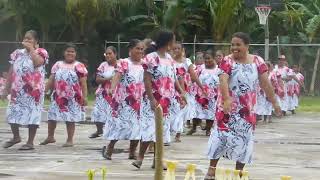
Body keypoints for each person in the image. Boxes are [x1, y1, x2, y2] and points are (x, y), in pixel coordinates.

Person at [204, 32, 281, 179]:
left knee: (244, 140)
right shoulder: (227, 61)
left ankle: (239, 172)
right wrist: (226, 99)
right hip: (227, 109)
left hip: (247, 111)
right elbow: (223, 80)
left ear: (247, 46)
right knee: (220, 137)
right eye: (232, 44)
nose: (234, 48)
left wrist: (275, 103)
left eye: (238, 44)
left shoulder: (257, 61)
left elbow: (266, 83)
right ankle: (211, 169)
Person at [132, 30, 186, 169]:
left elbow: (173, 79)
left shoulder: (169, 59)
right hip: (152, 100)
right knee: (149, 129)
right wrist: (151, 98)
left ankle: (157, 160)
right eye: (173, 41)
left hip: (166, 102)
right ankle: (140, 158)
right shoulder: (151, 58)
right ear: (168, 42)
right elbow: (147, 79)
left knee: (160, 132)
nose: (174, 44)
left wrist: (182, 92)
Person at [3, 30, 49, 150]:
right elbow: (11, 71)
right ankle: (16, 137)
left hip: (34, 91)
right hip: (17, 90)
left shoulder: (41, 52)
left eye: (30, 39)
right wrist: (6, 89)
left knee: (32, 115)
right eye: (25, 38)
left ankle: (30, 142)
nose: (27, 40)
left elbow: (37, 63)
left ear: (36, 41)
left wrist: (31, 50)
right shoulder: (17, 53)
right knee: (11, 113)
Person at [102, 39, 145, 160]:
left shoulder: (145, 63)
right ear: (130, 50)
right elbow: (117, 75)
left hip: (139, 101)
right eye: (137, 48)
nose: (140, 51)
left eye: (142, 49)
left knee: (137, 126)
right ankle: (110, 149)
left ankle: (132, 152)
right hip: (123, 101)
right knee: (119, 125)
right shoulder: (124, 62)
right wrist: (112, 88)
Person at [40, 43, 88, 147]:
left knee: (70, 119)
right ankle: (50, 137)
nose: (70, 53)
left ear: (75, 54)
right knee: (52, 117)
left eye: (72, 51)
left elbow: (83, 83)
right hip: (58, 96)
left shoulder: (79, 65)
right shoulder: (57, 64)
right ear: (64, 52)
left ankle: (69, 140)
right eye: (68, 51)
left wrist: (85, 97)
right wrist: (44, 91)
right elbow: (51, 80)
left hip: (73, 98)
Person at [171, 41, 204, 141]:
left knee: (180, 112)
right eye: (174, 48)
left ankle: (178, 134)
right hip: (170, 89)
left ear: (182, 50)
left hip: (183, 89)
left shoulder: (187, 62)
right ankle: (168, 132)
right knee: (171, 112)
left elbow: (194, 76)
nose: (176, 50)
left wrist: (202, 88)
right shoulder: (169, 61)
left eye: (178, 48)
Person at [89, 46, 118, 138]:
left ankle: (113, 130)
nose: (108, 55)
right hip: (103, 92)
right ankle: (99, 130)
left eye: (110, 53)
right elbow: (98, 79)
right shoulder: (103, 65)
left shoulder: (120, 64)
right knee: (98, 112)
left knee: (113, 113)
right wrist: (108, 79)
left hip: (116, 92)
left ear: (115, 54)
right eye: (106, 54)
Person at [194, 50, 220, 136]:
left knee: (211, 113)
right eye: (205, 59)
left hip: (213, 96)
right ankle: (194, 127)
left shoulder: (218, 69)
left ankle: (208, 130)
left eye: (209, 58)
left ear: (214, 58)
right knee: (197, 112)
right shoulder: (200, 68)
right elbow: (194, 78)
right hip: (201, 95)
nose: (207, 60)